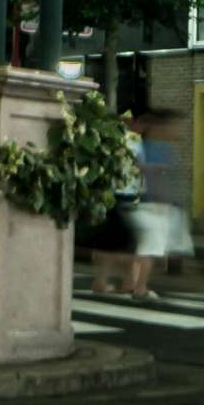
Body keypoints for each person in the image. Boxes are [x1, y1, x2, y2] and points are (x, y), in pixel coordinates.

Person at [91, 114, 148, 298]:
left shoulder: (109, 141)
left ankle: (103, 281)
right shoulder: (134, 141)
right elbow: (142, 167)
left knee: (110, 242)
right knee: (132, 244)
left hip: (110, 195)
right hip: (129, 196)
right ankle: (129, 283)